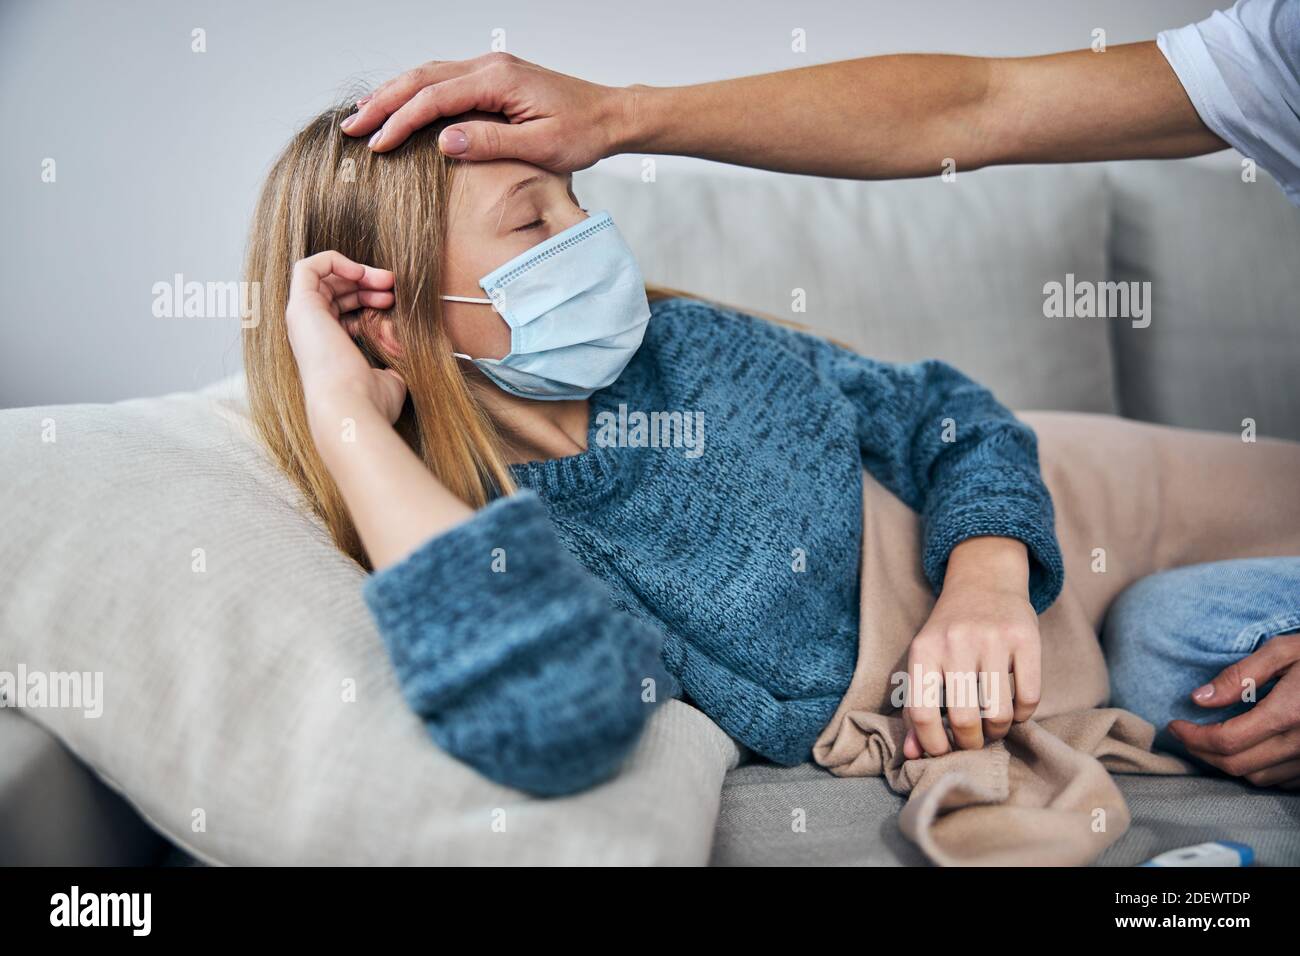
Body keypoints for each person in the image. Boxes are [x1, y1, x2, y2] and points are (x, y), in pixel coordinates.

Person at [337, 0, 1300, 789]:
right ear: (393, 319)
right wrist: (342, 418)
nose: (592, 239)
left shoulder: (691, 347)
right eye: (531, 222)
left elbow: (945, 415)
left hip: (1092, 491)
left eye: (579, 203)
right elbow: (550, 717)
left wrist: (986, 574)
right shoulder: (523, 532)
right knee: (1182, 653)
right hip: (1108, 607)